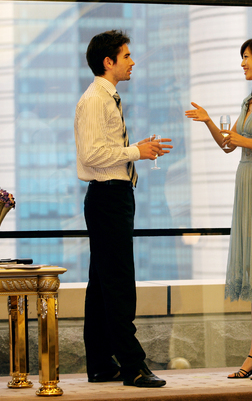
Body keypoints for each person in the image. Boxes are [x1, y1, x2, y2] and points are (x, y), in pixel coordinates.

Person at [185, 33, 252, 380]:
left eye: (247, 57)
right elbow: (228, 145)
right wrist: (208, 121)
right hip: (246, 182)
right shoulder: (250, 99)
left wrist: (244, 139)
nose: (242, 63)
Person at [75, 30, 172, 388]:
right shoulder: (95, 100)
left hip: (112, 195)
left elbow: (103, 149)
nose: (133, 62)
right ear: (108, 61)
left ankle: (101, 364)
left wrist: (137, 149)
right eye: (127, 56)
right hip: (107, 197)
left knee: (102, 284)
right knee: (118, 282)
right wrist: (136, 152)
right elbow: (91, 155)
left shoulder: (107, 98)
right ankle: (133, 365)